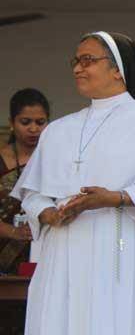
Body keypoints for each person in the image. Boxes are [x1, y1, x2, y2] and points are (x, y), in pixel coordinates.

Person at [11, 31, 135, 335]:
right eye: (75, 61)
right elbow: (32, 192)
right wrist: (47, 213)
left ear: (117, 69)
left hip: (121, 244)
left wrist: (115, 198)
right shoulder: (58, 129)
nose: (77, 68)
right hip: (63, 248)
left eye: (87, 60)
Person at [0, 89, 49, 335]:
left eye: (40, 122)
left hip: (45, 254)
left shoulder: (55, 161)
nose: (33, 129)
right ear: (12, 123)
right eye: (25, 122)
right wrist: (12, 232)